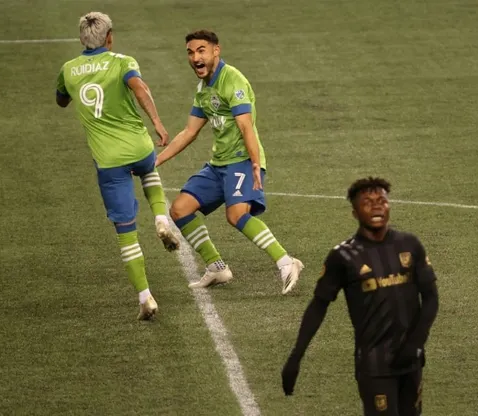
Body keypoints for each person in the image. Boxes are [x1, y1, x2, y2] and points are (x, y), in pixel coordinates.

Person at [155, 30, 303, 294]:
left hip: (242, 160)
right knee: (179, 209)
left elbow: (246, 126)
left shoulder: (232, 80)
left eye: (201, 50)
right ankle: (217, 267)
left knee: (236, 215)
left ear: (216, 51)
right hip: (219, 164)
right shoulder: (203, 90)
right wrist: (155, 161)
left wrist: (255, 163)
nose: (195, 57)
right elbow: (189, 132)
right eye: (191, 52)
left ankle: (286, 262)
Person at [54, 11, 179, 320]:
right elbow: (140, 88)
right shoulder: (123, 62)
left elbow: (61, 100)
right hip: (138, 147)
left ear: (81, 38)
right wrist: (157, 122)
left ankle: (145, 298)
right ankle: (160, 218)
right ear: (109, 38)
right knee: (149, 170)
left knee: (126, 233)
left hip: (108, 161)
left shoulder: (68, 70)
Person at [281, 177, 439, 415]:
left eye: (381, 201)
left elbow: (431, 298)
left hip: (412, 361)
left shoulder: (410, 245)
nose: (376, 207)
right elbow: (318, 306)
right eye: (367, 202)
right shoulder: (343, 257)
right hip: (374, 366)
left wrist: (415, 344)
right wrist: (296, 357)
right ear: (355, 213)